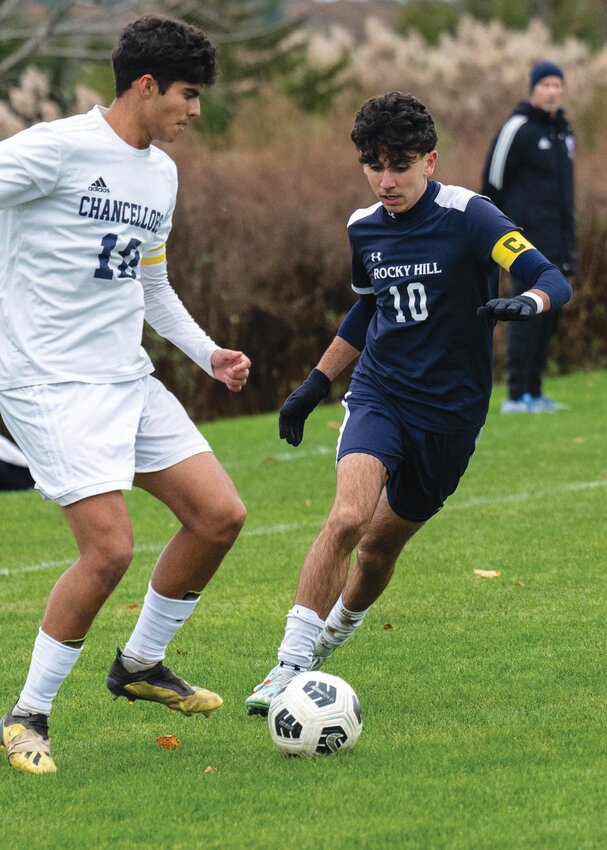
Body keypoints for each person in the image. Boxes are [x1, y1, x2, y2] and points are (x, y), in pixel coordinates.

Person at [245, 91, 571, 716]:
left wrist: (527, 303)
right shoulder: (363, 227)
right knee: (346, 519)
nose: (386, 180)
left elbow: (549, 277)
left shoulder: (471, 217)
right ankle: (287, 666)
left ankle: (336, 633)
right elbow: (369, 305)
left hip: (451, 416)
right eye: (374, 164)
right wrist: (317, 383)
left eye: (400, 164)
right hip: (381, 394)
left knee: (376, 551)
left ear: (430, 160)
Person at [0, 15, 251, 775]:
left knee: (219, 517)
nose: (195, 111)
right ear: (146, 86)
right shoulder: (54, 147)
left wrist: (207, 353)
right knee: (108, 549)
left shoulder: (160, 174)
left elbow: (149, 282)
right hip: (48, 382)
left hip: (124, 378)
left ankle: (140, 664)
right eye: (188, 94)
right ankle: (25, 717)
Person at [481, 60, 576, 413]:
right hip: (524, 243)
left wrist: (570, 245)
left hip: (558, 242)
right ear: (533, 88)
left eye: (557, 84)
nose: (552, 91)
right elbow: (492, 184)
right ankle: (516, 395)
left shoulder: (564, 132)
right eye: (545, 84)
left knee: (550, 315)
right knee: (525, 312)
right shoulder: (516, 128)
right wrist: (491, 236)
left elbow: (566, 195)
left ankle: (535, 392)